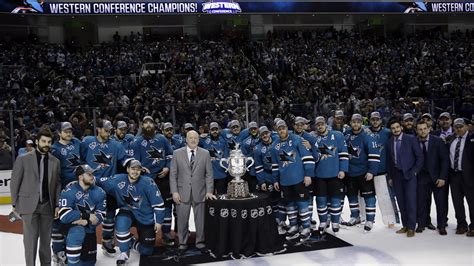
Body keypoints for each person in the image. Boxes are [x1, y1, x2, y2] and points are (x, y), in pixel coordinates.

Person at [96, 160, 165, 264]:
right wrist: (85, 178)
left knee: (146, 251)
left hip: (145, 216)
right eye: (133, 169)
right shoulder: (118, 179)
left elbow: (159, 204)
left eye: (138, 169)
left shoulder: (148, 182)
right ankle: (124, 252)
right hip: (127, 211)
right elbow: (98, 181)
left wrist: (159, 221)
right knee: (121, 221)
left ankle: (131, 242)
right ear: (127, 169)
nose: (135, 171)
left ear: (141, 170)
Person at [10, 129, 61, 266]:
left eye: (49, 142)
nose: (46, 144)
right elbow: (15, 182)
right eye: (44, 141)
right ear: (37, 141)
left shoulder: (55, 162)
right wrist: (15, 205)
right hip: (28, 206)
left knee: (45, 242)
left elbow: (57, 185)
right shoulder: (23, 159)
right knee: (30, 242)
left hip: (47, 206)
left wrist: (56, 205)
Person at [80, 119, 132, 255]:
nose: (108, 133)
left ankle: (107, 241)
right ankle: (85, 244)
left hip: (109, 186)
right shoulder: (87, 142)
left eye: (110, 131)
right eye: (106, 130)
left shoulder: (116, 145)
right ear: (98, 129)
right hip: (90, 186)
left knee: (109, 216)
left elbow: (124, 159)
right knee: (88, 215)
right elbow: (80, 160)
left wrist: (133, 164)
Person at [170, 130, 216, 253]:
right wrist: (174, 192)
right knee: (182, 220)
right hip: (182, 192)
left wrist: (209, 191)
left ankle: (200, 242)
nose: (193, 140)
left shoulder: (205, 153)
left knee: (200, 220)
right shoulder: (177, 153)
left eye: (195, 138)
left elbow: (209, 175)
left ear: (198, 139)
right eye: (190, 138)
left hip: (200, 192)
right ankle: (182, 243)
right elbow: (173, 175)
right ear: (186, 139)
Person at [131, 116, 174, 246]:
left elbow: (170, 155)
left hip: (163, 178)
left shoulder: (162, 138)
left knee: (167, 207)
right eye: (145, 123)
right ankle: (144, 234)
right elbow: (134, 162)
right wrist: (141, 168)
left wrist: (167, 167)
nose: (148, 125)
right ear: (141, 125)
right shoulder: (137, 141)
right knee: (144, 207)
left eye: (151, 122)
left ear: (155, 125)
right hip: (145, 180)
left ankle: (166, 233)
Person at [271, 120, 315, 243]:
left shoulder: (296, 139)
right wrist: (275, 180)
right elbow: (275, 165)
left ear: (287, 128)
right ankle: (294, 226)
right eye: (279, 129)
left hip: (299, 178)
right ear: (276, 130)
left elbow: (308, 158)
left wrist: (308, 174)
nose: (281, 130)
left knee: (302, 204)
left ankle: (306, 227)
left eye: (283, 128)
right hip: (285, 181)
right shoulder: (274, 145)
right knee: (289, 205)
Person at [58, 165, 106, 265]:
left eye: (92, 174)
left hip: (89, 228)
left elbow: (101, 214)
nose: (92, 176)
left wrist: (86, 221)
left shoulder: (99, 192)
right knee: (77, 231)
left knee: (89, 263)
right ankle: (67, 258)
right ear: (80, 176)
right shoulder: (69, 191)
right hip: (71, 228)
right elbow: (64, 215)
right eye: (88, 174)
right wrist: (87, 216)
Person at [51, 121, 82, 264]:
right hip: (62, 190)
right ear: (59, 133)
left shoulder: (77, 143)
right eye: (65, 131)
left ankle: (72, 248)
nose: (69, 133)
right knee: (58, 220)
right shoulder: (55, 149)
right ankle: (57, 250)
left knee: (74, 218)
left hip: (78, 188)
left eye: (70, 130)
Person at [386, 117, 423, 237]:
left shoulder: (411, 139)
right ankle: (405, 225)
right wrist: (390, 177)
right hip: (396, 175)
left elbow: (419, 157)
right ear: (391, 130)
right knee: (401, 201)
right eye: (393, 128)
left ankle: (412, 227)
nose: (395, 130)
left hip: (409, 174)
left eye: (397, 127)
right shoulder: (389, 141)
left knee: (411, 201)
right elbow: (389, 162)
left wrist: (415, 172)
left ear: (401, 127)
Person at [343, 114, 380, 232]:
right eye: (354, 122)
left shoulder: (368, 135)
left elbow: (374, 155)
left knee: (369, 197)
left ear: (361, 123)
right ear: (350, 122)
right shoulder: (346, 134)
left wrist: (371, 171)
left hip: (364, 172)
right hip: (350, 172)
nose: (356, 124)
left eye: (358, 122)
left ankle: (370, 219)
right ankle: (355, 216)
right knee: (352, 196)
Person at [311, 116, 348, 233]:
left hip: (335, 174)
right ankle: (323, 221)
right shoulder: (313, 138)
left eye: (322, 124)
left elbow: (343, 154)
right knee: (321, 200)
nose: (320, 126)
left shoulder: (337, 135)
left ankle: (335, 222)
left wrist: (343, 170)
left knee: (335, 200)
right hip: (319, 175)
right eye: (318, 124)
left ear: (326, 124)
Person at [415, 120, 449, 235]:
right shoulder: (413, 141)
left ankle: (442, 225)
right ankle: (422, 223)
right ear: (417, 131)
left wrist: (443, 177)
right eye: (420, 129)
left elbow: (445, 160)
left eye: (425, 128)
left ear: (429, 129)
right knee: (421, 202)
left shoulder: (438, 141)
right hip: (421, 176)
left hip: (437, 177)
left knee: (441, 202)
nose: (423, 131)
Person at [368, 111, 399, 228]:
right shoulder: (365, 132)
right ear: (370, 121)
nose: (375, 121)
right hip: (368, 171)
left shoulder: (387, 133)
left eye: (377, 119)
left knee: (386, 197)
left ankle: (391, 221)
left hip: (382, 170)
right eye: (373, 119)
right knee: (366, 197)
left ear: (381, 120)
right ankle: (364, 219)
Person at [448, 118, 474, 236]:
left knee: (472, 203)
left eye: (461, 126)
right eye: (456, 127)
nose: (459, 129)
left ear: (467, 127)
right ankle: (461, 225)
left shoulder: (472, 139)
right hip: (454, 176)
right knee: (457, 203)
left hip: (469, 176)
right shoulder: (451, 139)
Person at [199, 122, 230, 195]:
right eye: (212, 130)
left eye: (216, 129)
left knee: (222, 197)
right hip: (209, 175)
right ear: (209, 130)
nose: (215, 131)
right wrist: (200, 135)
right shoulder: (204, 140)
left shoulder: (223, 140)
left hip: (222, 174)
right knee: (209, 197)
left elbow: (226, 156)